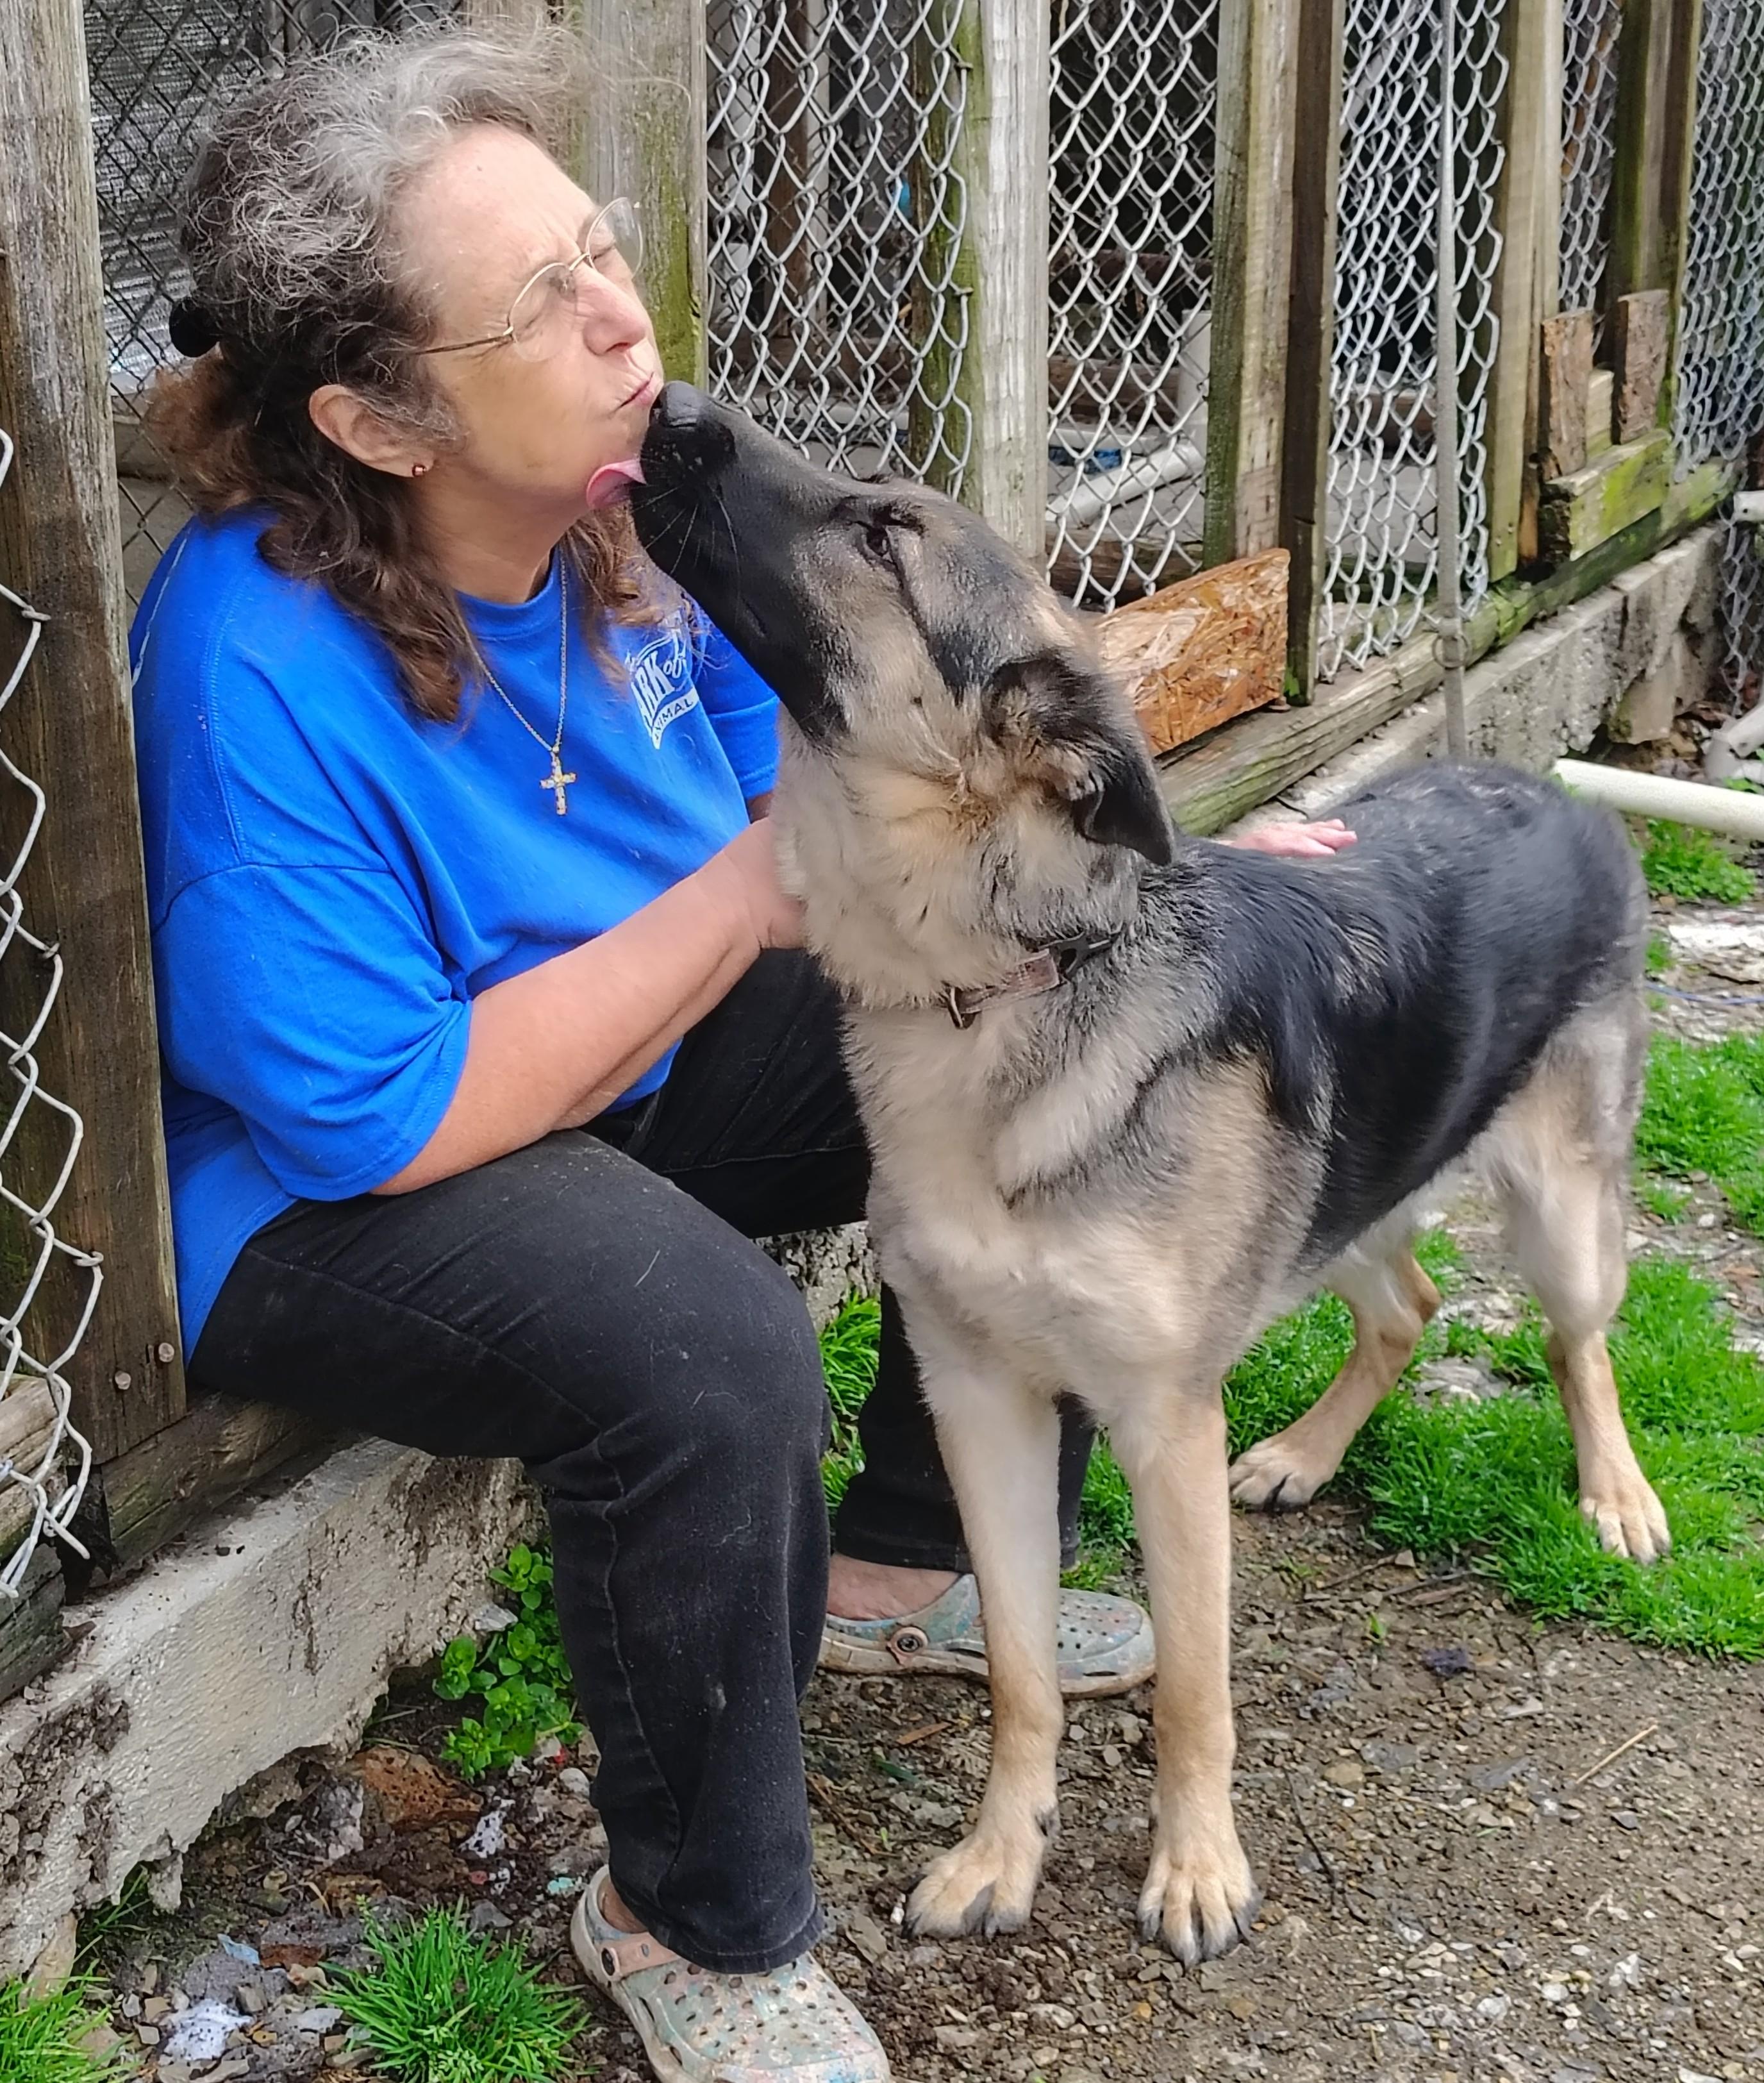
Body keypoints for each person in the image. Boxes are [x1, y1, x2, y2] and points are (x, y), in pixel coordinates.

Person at [131, 29, 1354, 2080]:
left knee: (1037, 1019)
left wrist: (1164, 887)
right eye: (543, 301)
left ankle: (906, 1553)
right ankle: (694, 1917)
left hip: (624, 1053)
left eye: (601, 249)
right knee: (706, 1348)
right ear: (380, 416)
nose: (625, 318)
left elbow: (857, 802)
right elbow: (386, 1108)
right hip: (335, 1188)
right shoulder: (252, 659)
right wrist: (735, 902)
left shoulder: (616, 527)